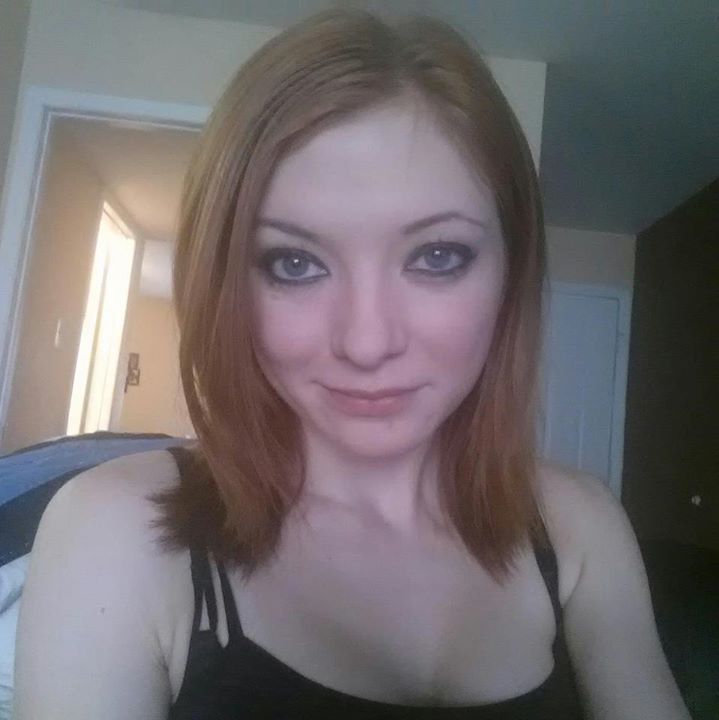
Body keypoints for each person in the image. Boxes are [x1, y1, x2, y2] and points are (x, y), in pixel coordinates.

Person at [13, 9, 690, 720]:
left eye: (437, 256)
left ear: (510, 273)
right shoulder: (115, 531)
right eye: (294, 263)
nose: (366, 343)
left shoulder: (580, 527)